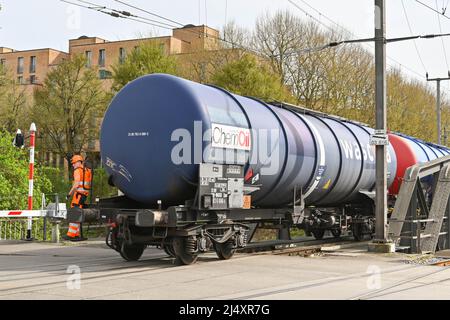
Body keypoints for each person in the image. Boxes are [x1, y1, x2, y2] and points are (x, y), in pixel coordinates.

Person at [65, 154, 92, 241]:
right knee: (77, 214)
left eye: (73, 163)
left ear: (78, 162)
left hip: (78, 195)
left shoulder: (78, 171)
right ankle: (76, 234)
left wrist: (69, 194)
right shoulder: (87, 170)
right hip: (84, 195)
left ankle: (71, 235)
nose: (73, 165)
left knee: (74, 213)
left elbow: (76, 185)